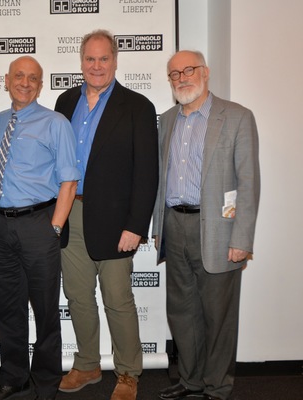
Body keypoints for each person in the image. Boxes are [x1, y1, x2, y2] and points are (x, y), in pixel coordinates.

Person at [54, 29, 158, 400]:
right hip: (71, 216)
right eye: (90, 59)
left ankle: (129, 373)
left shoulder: (137, 106)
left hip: (117, 223)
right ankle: (87, 365)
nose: (96, 66)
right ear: (81, 62)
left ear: (115, 61)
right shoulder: (65, 102)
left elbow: (147, 172)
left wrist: (136, 226)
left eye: (104, 59)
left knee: (117, 298)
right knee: (78, 297)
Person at [152, 50, 260, 400]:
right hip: (175, 226)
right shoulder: (166, 120)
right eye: (174, 74)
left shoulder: (237, 117)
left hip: (218, 230)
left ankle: (217, 387)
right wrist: (159, 228)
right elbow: (159, 178)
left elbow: (248, 181)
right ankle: (190, 381)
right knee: (182, 312)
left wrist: (242, 237)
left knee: (218, 317)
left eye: (189, 70)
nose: (182, 78)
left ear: (205, 72)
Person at [0, 55, 80, 400]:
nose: (25, 82)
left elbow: (69, 181)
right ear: (6, 80)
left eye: (33, 78)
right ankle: (14, 377)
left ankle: (46, 383)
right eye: (19, 76)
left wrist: (53, 228)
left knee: (45, 309)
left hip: (40, 223)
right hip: (0, 224)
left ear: (41, 85)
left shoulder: (55, 123)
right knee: (6, 307)